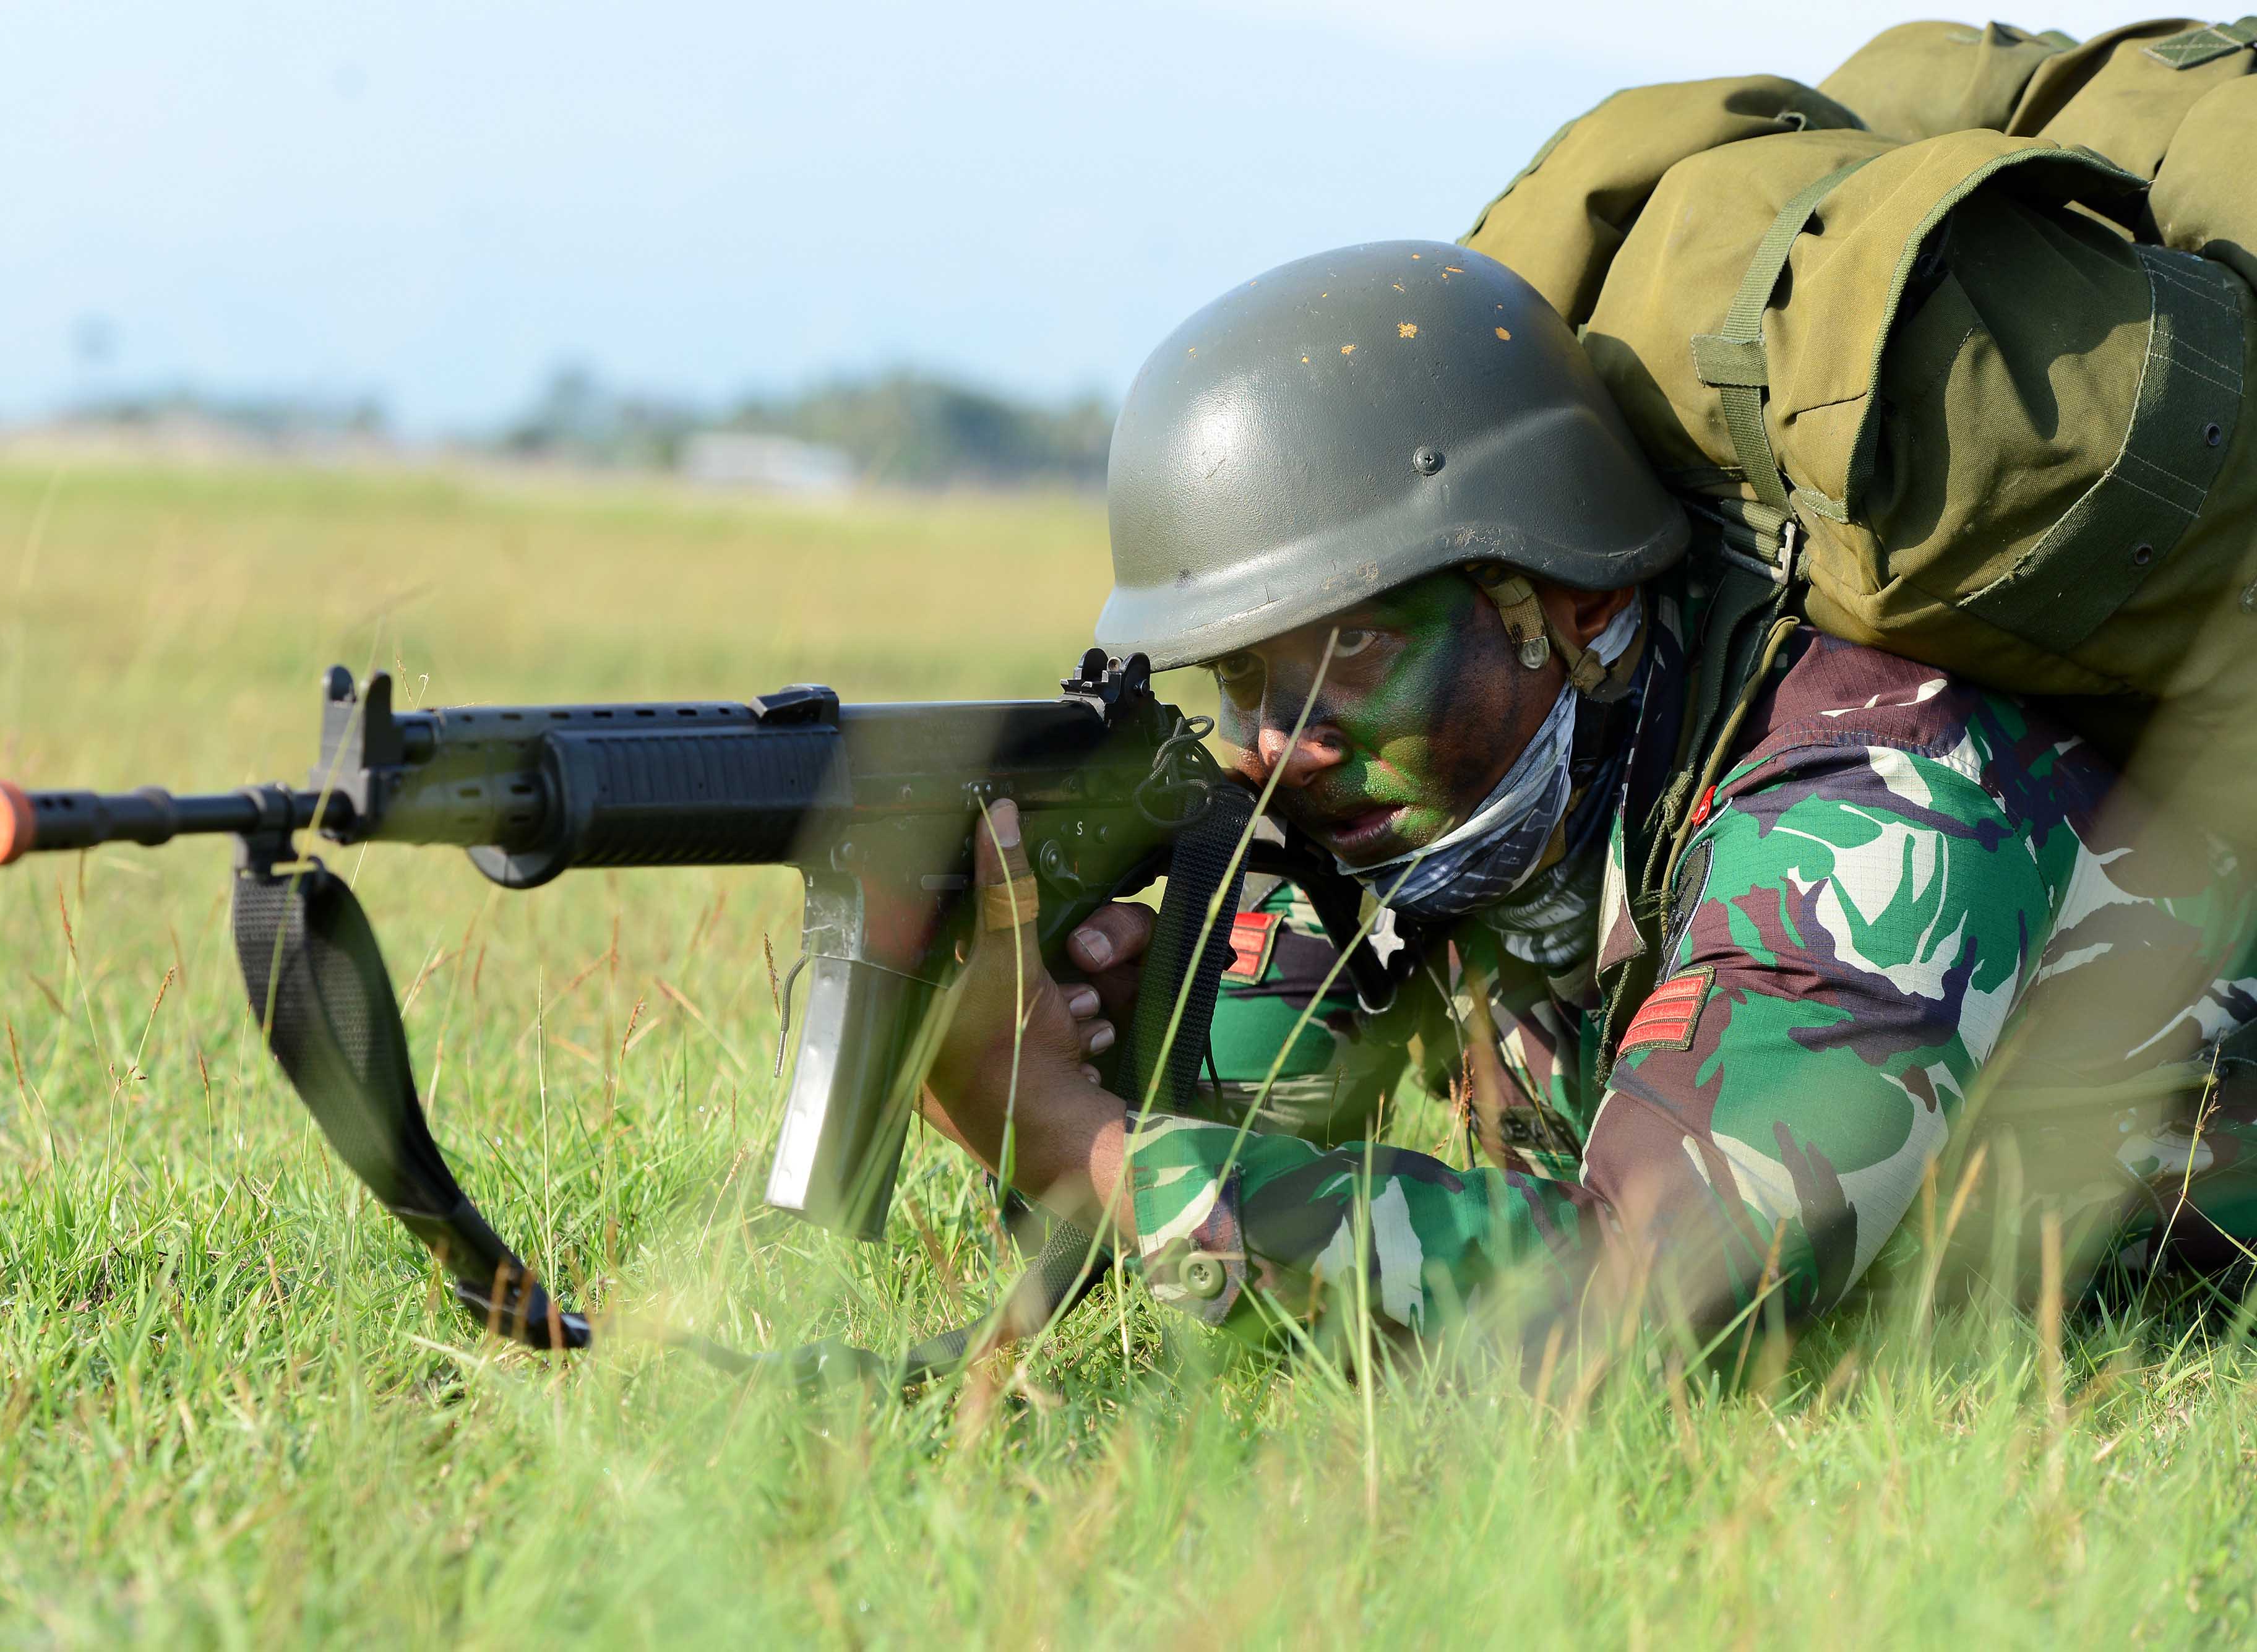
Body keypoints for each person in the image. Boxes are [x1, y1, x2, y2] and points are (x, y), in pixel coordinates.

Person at [921, 239, 2257, 1352]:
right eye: (1239, 680)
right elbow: (1250, 1129)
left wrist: (1080, 1145)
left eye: (1355, 648)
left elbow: (1649, 1304)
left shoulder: (1874, 803)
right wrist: (1088, 1054)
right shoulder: (1428, 813)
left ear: (1569, 600)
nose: (1278, 744)